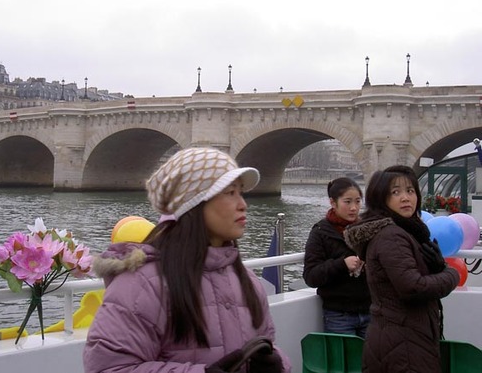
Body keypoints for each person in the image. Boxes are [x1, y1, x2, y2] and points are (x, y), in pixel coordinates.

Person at [83, 147, 291, 373]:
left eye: (240, 192)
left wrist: (278, 364)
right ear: (193, 204)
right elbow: (108, 368)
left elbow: (270, 344)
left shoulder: (246, 280)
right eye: (230, 193)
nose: (243, 204)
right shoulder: (142, 285)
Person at [344, 165, 459, 373]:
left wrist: (434, 268)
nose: (406, 198)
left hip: (400, 338)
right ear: (381, 199)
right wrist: (450, 274)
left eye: (410, 191)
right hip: (404, 344)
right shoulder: (392, 236)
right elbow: (412, 287)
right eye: (395, 192)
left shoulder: (404, 231)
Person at [302, 177, 371, 338]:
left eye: (358, 201)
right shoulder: (320, 232)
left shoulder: (367, 230)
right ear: (333, 203)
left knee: (372, 362)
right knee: (344, 362)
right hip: (339, 315)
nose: (354, 208)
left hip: (370, 311)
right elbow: (311, 276)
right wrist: (342, 264)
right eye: (347, 202)